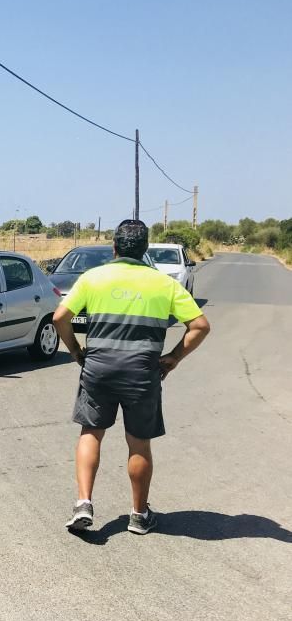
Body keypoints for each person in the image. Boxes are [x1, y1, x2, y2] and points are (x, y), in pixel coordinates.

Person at [53, 220, 210, 535]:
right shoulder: (163, 284)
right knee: (139, 443)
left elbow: (60, 318)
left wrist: (75, 352)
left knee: (91, 432)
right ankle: (139, 515)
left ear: (114, 247)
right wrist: (173, 358)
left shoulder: (92, 278)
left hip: (98, 368)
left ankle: (84, 503)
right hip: (142, 371)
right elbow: (200, 326)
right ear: (144, 250)